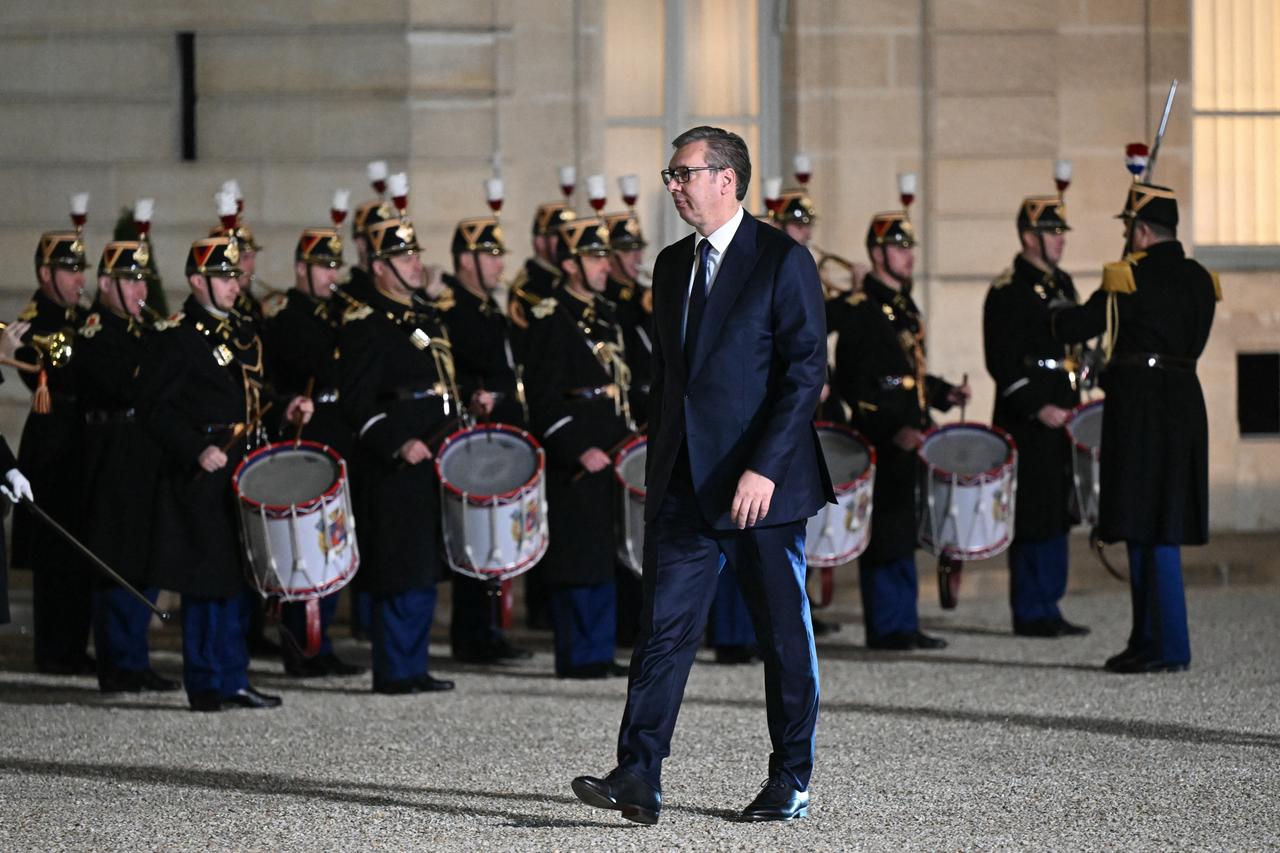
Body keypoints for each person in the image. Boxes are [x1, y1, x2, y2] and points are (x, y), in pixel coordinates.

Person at [572, 126, 834, 824]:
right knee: (662, 630)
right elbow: (671, 381)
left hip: (761, 488)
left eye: (683, 173)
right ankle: (638, 771)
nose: (673, 185)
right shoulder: (668, 265)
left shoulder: (783, 259)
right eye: (672, 174)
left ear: (726, 178)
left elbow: (806, 374)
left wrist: (763, 468)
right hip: (685, 484)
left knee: (782, 633)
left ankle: (792, 777)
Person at [140, 235, 313, 712]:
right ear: (197, 282)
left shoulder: (243, 330)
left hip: (245, 466)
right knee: (205, 580)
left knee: (239, 578)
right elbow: (154, 409)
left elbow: (259, 397)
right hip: (205, 470)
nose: (235, 285)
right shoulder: (177, 335)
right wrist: (196, 449)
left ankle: (233, 676)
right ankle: (206, 682)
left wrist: (289, 408)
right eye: (222, 277)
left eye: (236, 276)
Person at [1051, 181, 1217, 674]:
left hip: (1142, 407)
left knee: (1151, 524)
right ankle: (1146, 638)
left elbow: (1078, 327)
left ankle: (1167, 644)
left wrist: (1056, 309)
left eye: (1129, 229)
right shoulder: (1200, 278)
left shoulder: (1127, 276)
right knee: (1150, 523)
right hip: (1184, 400)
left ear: (1141, 231)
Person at [831, 212, 969, 651]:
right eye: (899, 248)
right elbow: (855, 384)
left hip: (912, 431)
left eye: (910, 248)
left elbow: (913, 373)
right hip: (883, 435)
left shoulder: (905, 306)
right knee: (886, 530)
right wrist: (893, 430)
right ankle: (887, 625)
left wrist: (945, 394)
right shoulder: (860, 309)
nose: (908, 256)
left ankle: (904, 621)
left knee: (905, 528)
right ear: (876, 254)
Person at [337, 214, 456, 695]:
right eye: (405, 257)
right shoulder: (367, 323)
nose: (416, 264)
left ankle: (415, 663)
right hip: (396, 461)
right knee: (399, 565)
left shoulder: (425, 315)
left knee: (425, 564)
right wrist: (394, 442)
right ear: (381, 267)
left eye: (415, 254)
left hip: (436, 451)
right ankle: (393, 667)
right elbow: (356, 402)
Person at [524, 217, 633, 678]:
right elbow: (543, 398)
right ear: (570, 265)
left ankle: (599, 649)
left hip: (614, 446)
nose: (605, 266)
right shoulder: (552, 317)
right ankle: (577, 654)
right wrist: (575, 446)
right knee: (577, 555)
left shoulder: (605, 313)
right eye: (593, 258)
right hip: (579, 455)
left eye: (605, 256)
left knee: (606, 552)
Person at [260, 223, 365, 678]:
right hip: (307, 431)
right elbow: (315, 365)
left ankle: (321, 644)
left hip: (339, 429)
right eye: (323, 267)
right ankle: (300, 645)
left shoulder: (337, 312)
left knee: (332, 543)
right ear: (301, 269)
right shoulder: (289, 315)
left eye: (334, 267)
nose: (331, 276)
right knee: (302, 548)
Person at [983, 196, 1089, 638]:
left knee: (1059, 507)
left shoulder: (1062, 283)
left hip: (1064, 412)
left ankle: (1051, 602)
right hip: (1029, 418)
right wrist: (1036, 406)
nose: (1060, 241)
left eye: (1062, 233)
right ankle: (1030, 608)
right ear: (1030, 238)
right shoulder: (1008, 289)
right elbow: (1001, 361)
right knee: (1031, 510)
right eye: (1052, 233)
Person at [77, 238, 178, 693]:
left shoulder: (143, 331)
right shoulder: (99, 331)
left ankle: (134, 658)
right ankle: (118, 663)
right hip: (113, 450)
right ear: (105, 284)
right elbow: (122, 385)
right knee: (118, 558)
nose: (140, 290)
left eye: (142, 280)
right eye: (130, 280)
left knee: (145, 559)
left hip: (145, 451)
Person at [440, 214, 532, 665]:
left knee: (496, 536)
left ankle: (490, 628)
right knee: (475, 536)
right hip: (472, 435)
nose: (499, 266)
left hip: (500, 432)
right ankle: (472, 634)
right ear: (464, 260)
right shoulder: (450, 309)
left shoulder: (487, 306)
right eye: (489, 256)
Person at [13, 227, 93, 675]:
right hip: (53, 438)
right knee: (54, 549)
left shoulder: (80, 317)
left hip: (80, 434)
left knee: (79, 545)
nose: (79, 278)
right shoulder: (36, 318)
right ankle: (53, 649)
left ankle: (74, 645)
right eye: (69, 269)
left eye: (81, 268)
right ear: (46, 273)